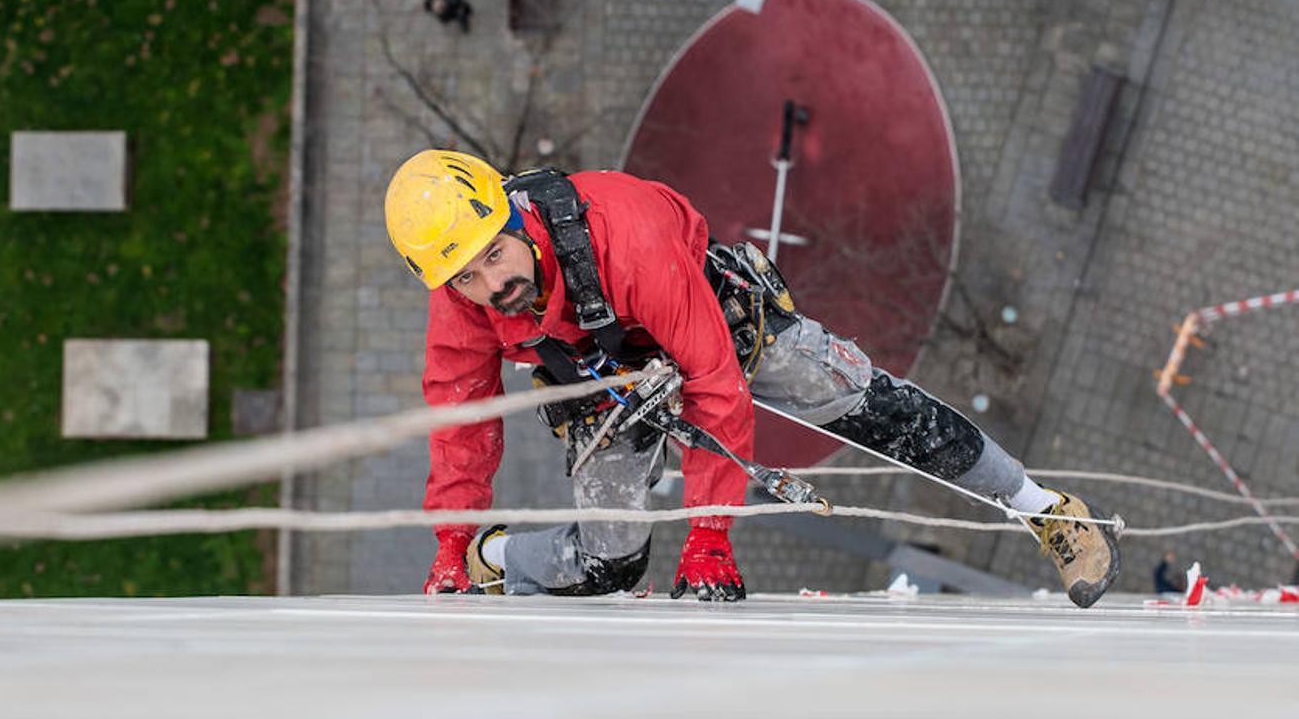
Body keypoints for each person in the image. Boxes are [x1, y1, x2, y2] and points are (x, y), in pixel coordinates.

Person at [384, 150, 1122, 606]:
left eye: (493, 255)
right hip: (609, 376)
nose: (492, 283)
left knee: (870, 405)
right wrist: (451, 542)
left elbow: (713, 388)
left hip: (707, 317)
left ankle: (1044, 508)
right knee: (604, 564)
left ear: (514, 218)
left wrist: (709, 536)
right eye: (466, 276)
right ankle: (494, 559)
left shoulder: (625, 237)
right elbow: (460, 427)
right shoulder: (462, 310)